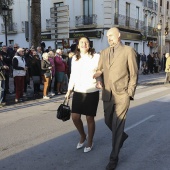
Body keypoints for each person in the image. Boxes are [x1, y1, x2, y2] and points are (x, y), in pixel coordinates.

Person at [93, 27, 138, 170]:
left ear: (119, 36)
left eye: (111, 35)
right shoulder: (104, 53)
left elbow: (134, 73)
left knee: (118, 124)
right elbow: (99, 70)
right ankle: (122, 137)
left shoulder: (128, 51)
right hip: (107, 93)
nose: (109, 38)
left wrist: (129, 92)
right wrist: (99, 79)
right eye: (107, 36)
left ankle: (113, 158)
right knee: (108, 120)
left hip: (122, 93)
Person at [65, 36, 100, 153]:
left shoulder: (96, 57)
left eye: (86, 42)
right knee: (75, 117)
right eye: (81, 42)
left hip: (91, 91)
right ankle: (83, 135)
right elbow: (73, 76)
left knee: (89, 118)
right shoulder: (75, 58)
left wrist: (100, 73)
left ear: (89, 44)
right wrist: (69, 91)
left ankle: (90, 140)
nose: (84, 44)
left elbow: (104, 68)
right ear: (78, 45)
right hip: (78, 91)